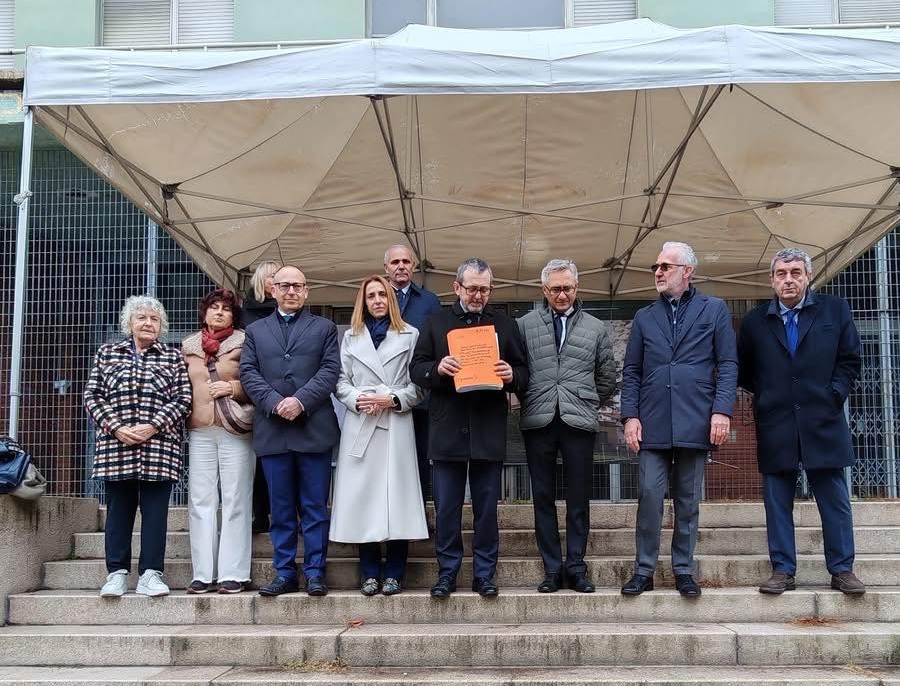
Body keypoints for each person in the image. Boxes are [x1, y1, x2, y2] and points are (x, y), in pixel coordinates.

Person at [738, 248, 864, 595]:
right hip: (776, 420)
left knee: (833, 498)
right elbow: (746, 371)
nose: (788, 279)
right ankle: (782, 570)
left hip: (822, 418)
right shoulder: (754, 321)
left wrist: (833, 394)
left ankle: (842, 570)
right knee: (777, 499)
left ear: (808, 277)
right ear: (772, 280)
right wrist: (767, 395)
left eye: (795, 272)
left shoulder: (834, 311)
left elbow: (850, 360)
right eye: (781, 273)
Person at [620, 242, 737, 598]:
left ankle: (684, 569)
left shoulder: (714, 309)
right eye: (656, 266)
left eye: (666, 266)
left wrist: (722, 410)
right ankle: (644, 570)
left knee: (687, 499)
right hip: (652, 420)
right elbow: (632, 370)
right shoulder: (644, 316)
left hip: (696, 418)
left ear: (687, 271)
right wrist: (630, 416)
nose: (658, 271)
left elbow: (728, 364)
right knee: (650, 494)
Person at [410, 258, 528, 598]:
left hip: (488, 429)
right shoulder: (435, 324)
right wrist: (438, 368)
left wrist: (511, 375)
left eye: (484, 289)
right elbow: (417, 370)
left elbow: (524, 373)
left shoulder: (504, 325)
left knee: (486, 509)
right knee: (447, 508)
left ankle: (484, 574)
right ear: (457, 287)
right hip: (447, 430)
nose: (478, 295)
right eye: (473, 288)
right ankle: (447, 573)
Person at [239, 265, 341, 597]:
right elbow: (248, 372)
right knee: (280, 509)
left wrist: (300, 401)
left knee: (314, 507)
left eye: (297, 286)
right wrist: (274, 401)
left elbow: (329, 371)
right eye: (284, 286)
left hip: (313, 428)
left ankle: (314, 571)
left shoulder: (324, 328)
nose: (291, 291)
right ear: (273, 290)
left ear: (307, 291)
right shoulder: (255, 331)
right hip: (273, 430)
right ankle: (284, 572)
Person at [517, 259, 617, 593]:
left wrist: (587, 402)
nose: (563, 294)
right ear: (544, 290)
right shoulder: (525, 325)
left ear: (577, 288)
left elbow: (607, 375)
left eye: (569, 288)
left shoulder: (595, 327)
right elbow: (517, 371)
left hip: (578, 421)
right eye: (556, 289)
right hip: (539, 418)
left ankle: (576, 568)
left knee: (579, 499)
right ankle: (551, 569)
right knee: (542, 498)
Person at [83, 295, 191, 598]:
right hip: (117, 446)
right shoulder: (108, 353)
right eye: (142, 318)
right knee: (119, 512)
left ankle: (151, 574)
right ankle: (116, 573)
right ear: (129, 323)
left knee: (156, 514)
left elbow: (183, 398)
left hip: (159, 447)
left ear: (162, 326)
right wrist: (116, 427)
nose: (148, 323)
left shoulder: (172, 357)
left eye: (154, 319)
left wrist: (153, 425)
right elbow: (93, 396)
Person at [331, 275, 427, 596]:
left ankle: (395, 572)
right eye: (371, 295)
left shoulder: (410, 335)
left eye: (382, 295)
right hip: (362, 422)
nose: (377, 301)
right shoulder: (351, 338)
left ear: (392, 299)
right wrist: (356, 399)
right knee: (364, 498)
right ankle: (369, 571)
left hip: (395, 424)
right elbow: (340, 381)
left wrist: (393, 399)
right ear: (363, 300)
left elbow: (420, 385)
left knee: (397, 498)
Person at [182, 288, 254, 594]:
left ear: (233, 315)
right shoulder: (188, 346)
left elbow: (257, 381)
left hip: (235, 429)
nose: (220, 312)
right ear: (205, 312)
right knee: (201, 500)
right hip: (199, 430)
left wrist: (232, 388)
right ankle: (203, 573)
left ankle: (233, 573)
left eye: (226, 308)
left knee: (236, 500)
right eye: (214, 307)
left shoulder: (245, 341)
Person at [383, 244, 442, 502]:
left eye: (406, 261)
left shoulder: (429, 301)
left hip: (420, 394)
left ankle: (420, 516)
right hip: (383, 395)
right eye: (395, 262)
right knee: (385, 459)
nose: (401, 266)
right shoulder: (376, 297)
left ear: (414, 267)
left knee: (419, 456)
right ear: (386, 268)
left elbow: (439, 343)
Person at [242, 260, 281, 533]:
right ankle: (259, 514)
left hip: (287, 395)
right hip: (256, 396)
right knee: (259, 463)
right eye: (271, 278)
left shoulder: (288, 312)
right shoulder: (245, 314)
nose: (275, 283)